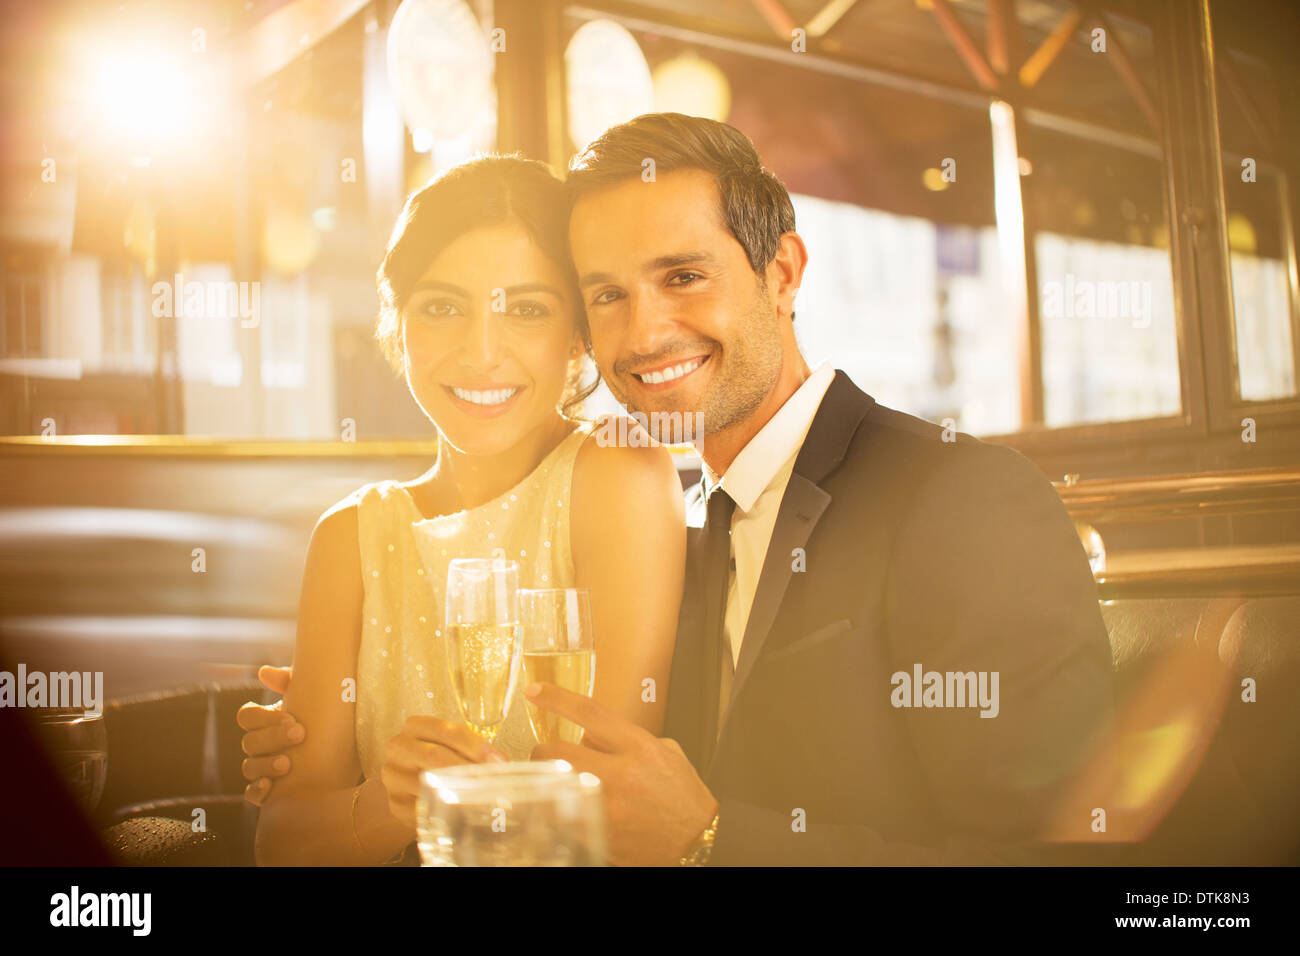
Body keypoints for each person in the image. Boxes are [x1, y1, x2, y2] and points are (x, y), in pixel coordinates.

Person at [243, 114, 1114, 866]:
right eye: (609, 295)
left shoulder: (962, 498)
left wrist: (714, 842)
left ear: (782, 274)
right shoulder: (694, 526)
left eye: (683, 276)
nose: (646, 331)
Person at [251, 156, 685, 865]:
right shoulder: (350, 537)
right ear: (399, 328)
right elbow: (280, 846)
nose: (481, 351)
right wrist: (391, 804)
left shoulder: (619, 475)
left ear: (577, 336)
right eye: (444, 307)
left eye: (527, 309)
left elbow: (611, 805)